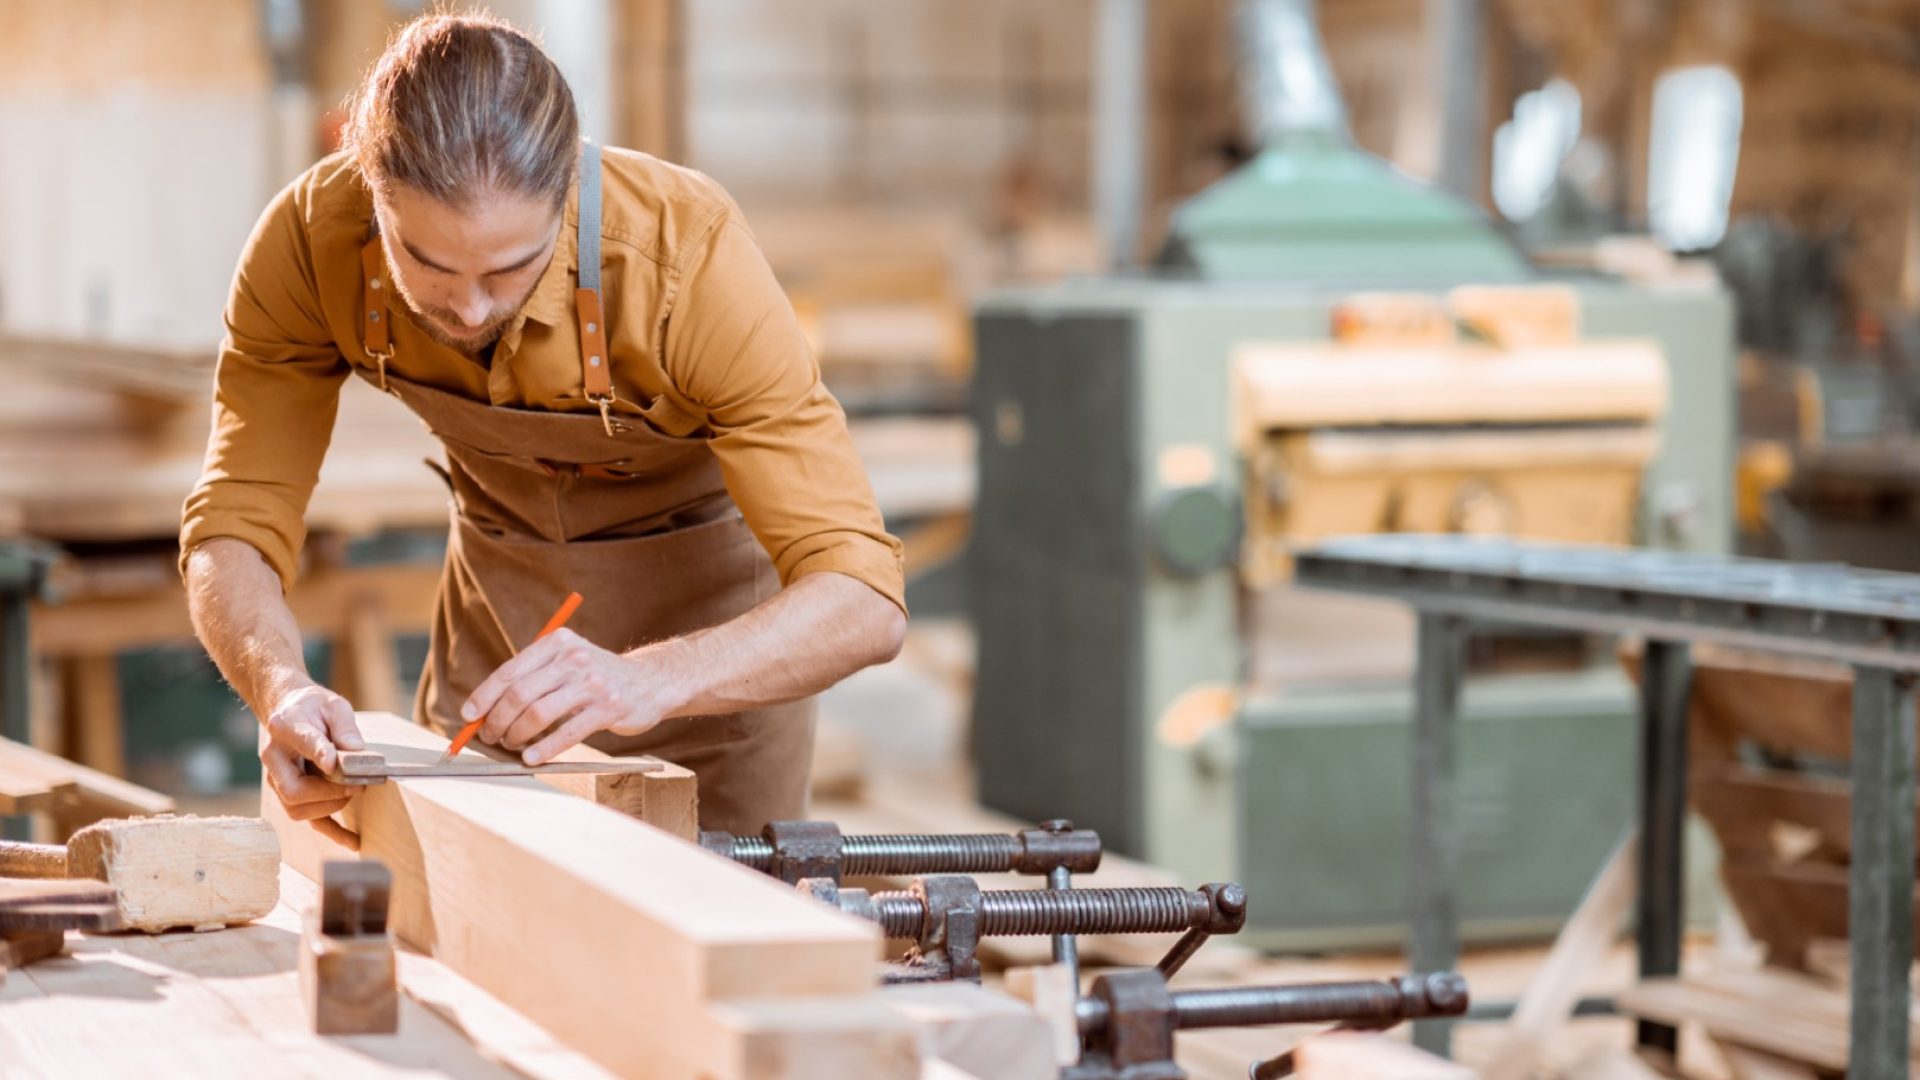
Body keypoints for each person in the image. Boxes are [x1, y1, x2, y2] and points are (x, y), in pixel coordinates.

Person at [180, 13, 906, 835]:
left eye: (509, 268)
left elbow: (864, 599)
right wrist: (281, 689)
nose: (469, 307)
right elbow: (232, 523)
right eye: (427, 263)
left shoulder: (687, 259)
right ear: (369, 187)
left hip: (714, 677)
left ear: (566, 191)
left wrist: (650, 678)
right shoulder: (309, 246)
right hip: (493, 668)